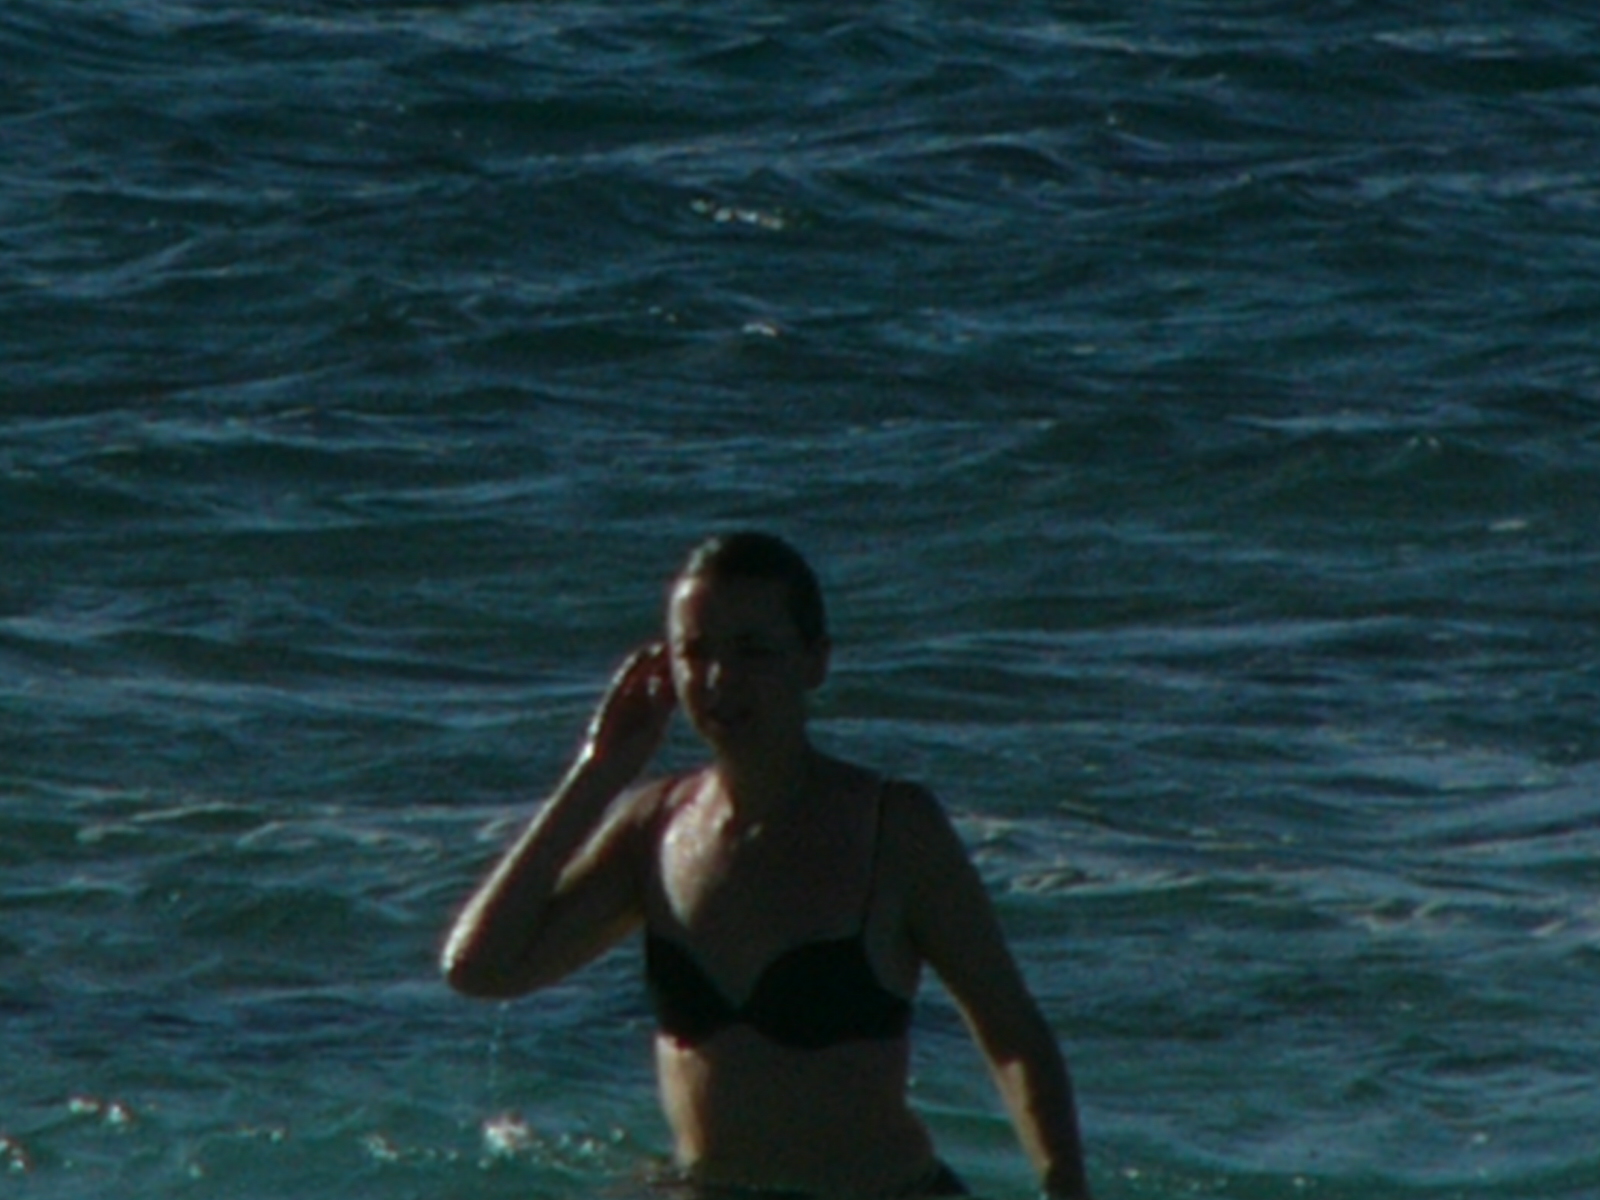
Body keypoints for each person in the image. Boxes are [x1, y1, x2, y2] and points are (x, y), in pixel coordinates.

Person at [442, 532, 1092, 1199]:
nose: (720, 679)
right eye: (696, 652)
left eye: (752, 650)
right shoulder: (654, 828)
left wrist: (1065, 1189)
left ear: (814, 661)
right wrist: (598, 771)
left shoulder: (893, 830)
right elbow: (481, 968)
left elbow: (1012, 1033)